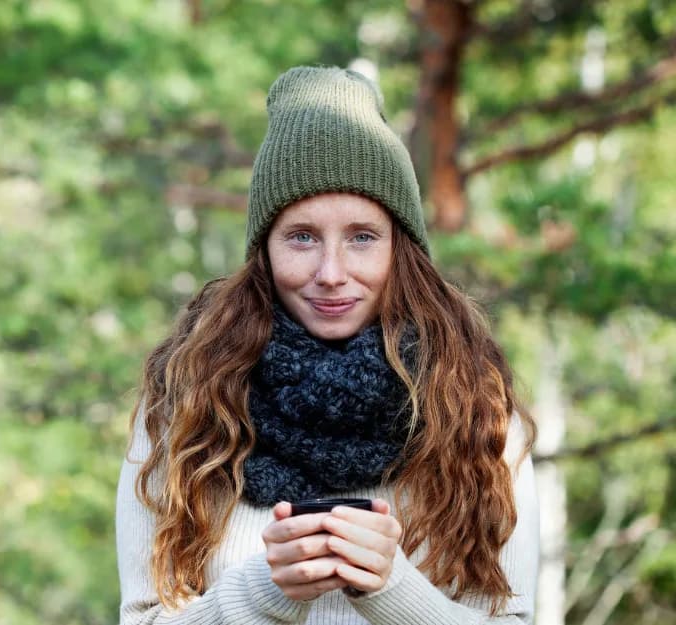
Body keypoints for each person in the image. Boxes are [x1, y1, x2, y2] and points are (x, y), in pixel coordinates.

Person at [115, 65, 539, 625]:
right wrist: (262, 593)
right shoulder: (187, 397)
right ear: (263, 250)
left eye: (362, 237)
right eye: (301, 237)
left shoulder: (473, 404)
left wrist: (393, 589)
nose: (331, 273)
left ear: (400, 248)